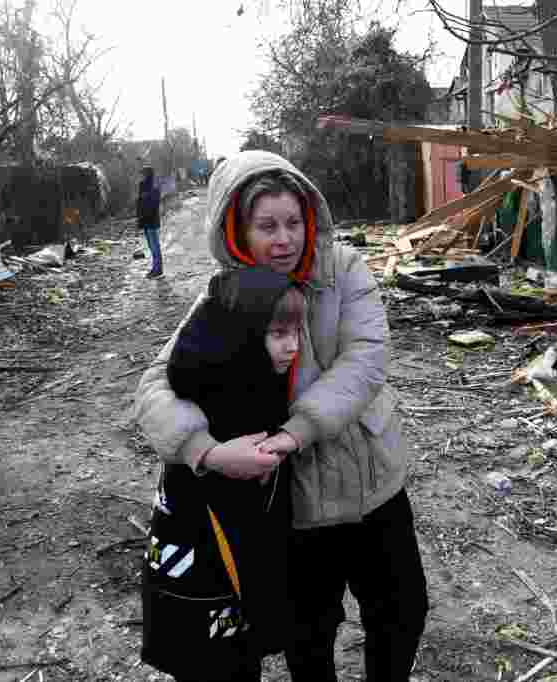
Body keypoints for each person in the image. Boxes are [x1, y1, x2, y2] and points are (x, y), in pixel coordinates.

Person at [133, 150, 429, 681]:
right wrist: (208, 451)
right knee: (309, 635)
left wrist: (295, 432)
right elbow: (154, 387)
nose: (283, 238)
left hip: (371, 483)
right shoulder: (223, 297)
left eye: (293, 222)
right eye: (266, 225)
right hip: (293, 508)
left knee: (402, 611)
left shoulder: (343, 269)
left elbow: (365, 359)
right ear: (236, 230)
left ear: (310, 217)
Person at [141, 266, 301, 681]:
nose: (293, 347)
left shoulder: (250, 384)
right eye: (279, 334)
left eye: (297, 333)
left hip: (225, 590)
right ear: (245, 335)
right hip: (201, 581)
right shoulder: (223, 408)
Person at [136, 166, 164, 279]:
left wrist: (144, 202)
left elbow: (151, 203)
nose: (141, 176)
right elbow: (140, 203)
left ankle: (158, 270)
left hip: (150, 219)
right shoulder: (143, 185)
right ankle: (155, 268)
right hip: (147, 220)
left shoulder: (153, 185)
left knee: (154, 246)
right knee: (152, 246)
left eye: (143, 174)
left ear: (147, 174)